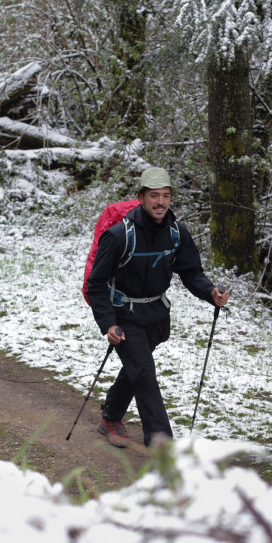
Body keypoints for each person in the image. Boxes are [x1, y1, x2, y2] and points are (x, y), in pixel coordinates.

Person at [85, 167, 230, 447]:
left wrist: (210, 292)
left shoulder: (176, 233)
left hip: (155, 315)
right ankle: (162, 446)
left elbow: (191, 272)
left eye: (165, 196)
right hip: (124, 315)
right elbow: (96, 283)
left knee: (137, 369)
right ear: (141, 197)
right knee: (144, 374)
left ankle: (111, 417)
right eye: (154, 196)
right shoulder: (118, 236)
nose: (160, 202)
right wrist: (107, 323)